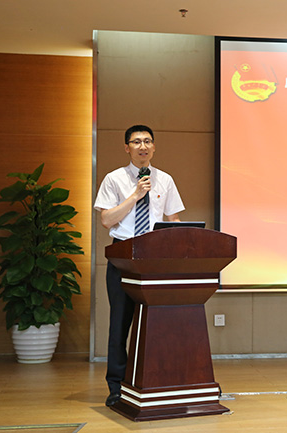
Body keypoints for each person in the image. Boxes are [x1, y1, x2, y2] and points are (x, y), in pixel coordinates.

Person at [93, 125, 185, 407]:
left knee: (157, 324)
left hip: (156, 260)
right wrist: (135, 195)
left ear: (154, 147)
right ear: (127, 148)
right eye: (136, 142)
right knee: (120, 324)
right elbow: (106, 220)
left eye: (147, 141)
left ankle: (156, 381)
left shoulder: (165, 180)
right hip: (124, 257)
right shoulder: (114, 179)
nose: (142, 146)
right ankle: (116, 387)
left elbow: (174, 220)